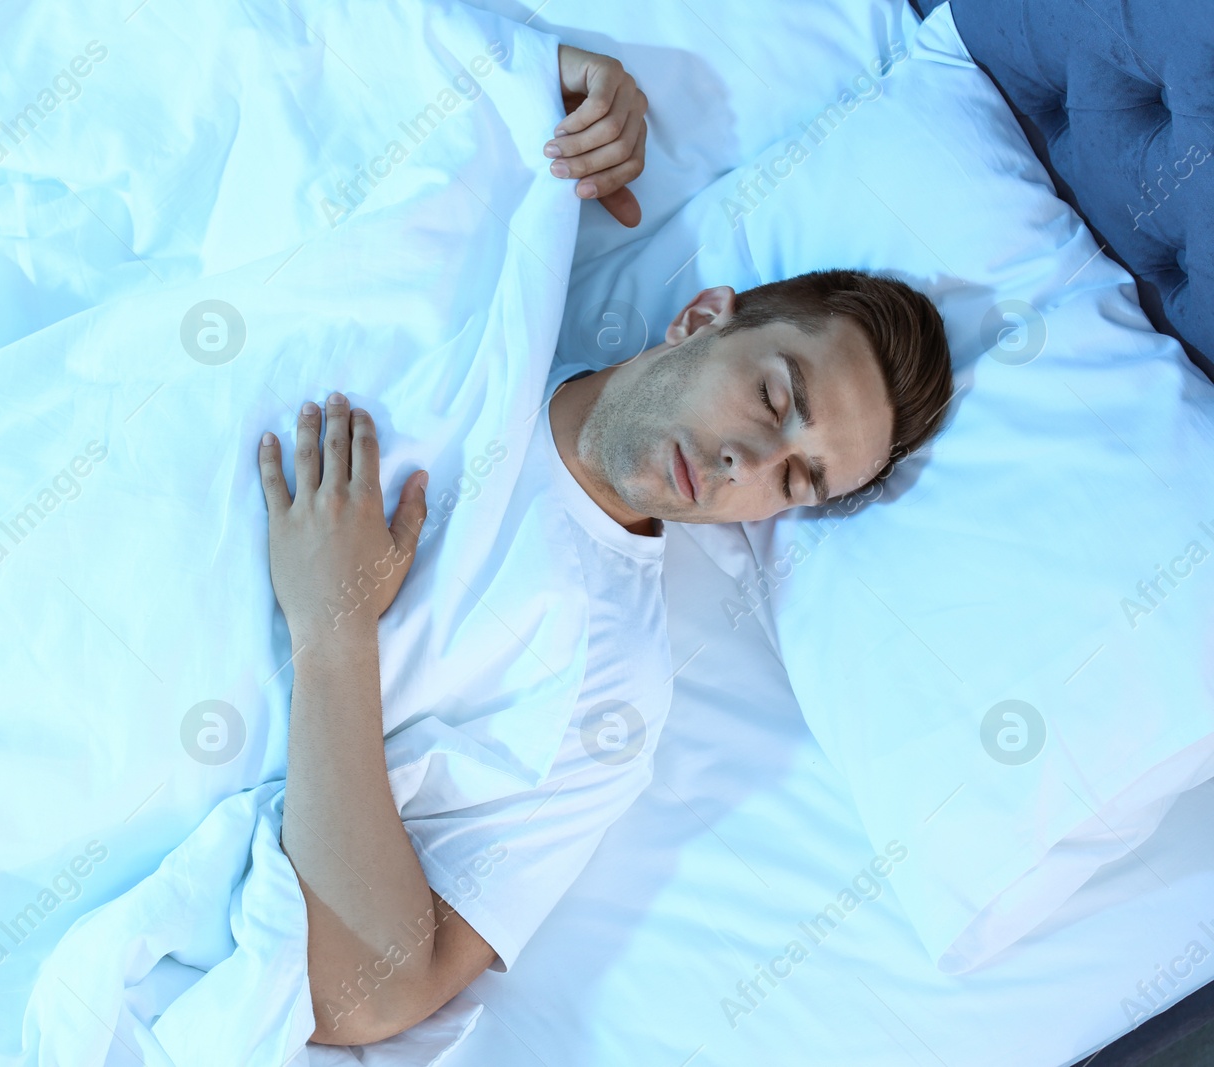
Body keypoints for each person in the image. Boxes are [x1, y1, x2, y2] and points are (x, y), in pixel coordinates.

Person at [254, 46, 955, 1048]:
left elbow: (372, 996)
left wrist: (333, 638)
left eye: (790, 479)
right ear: (700, 319)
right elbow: (330, 56)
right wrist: (562, 79)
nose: (742, 457)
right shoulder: (508, 273)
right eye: (771, 396)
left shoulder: (610, 690)